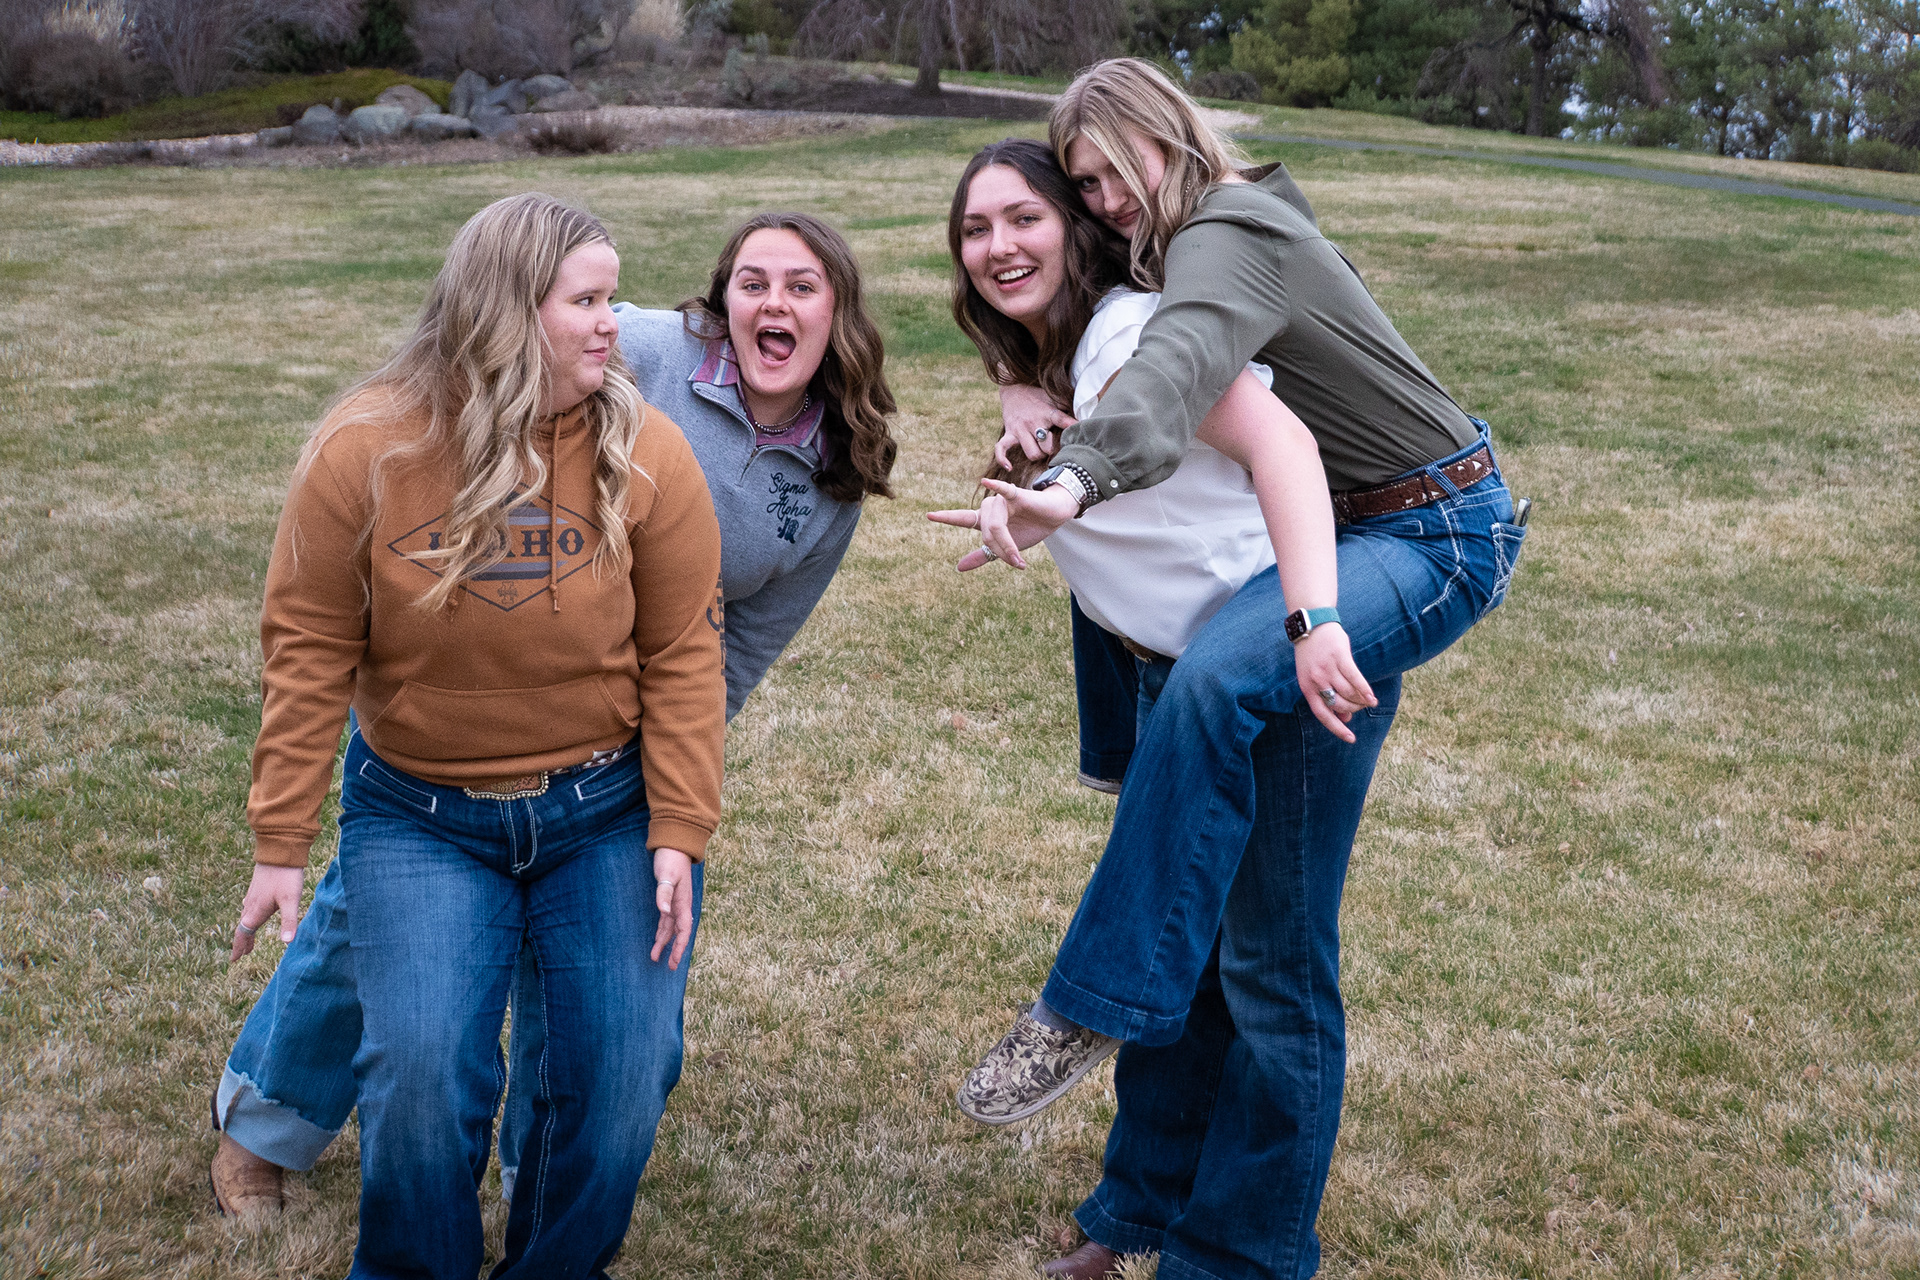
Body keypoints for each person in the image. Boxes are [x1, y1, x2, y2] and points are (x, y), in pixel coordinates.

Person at [212, 205, 895, 1270]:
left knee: (618, 1070)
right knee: (421, 1066)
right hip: (423, 804)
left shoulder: (662, 450)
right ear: (506, 309)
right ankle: (288, 1151)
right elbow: (308, 646)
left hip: (604, 800)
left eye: (611, 298)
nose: (611, 322)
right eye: (587, 300)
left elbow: (698, 652)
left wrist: (678, 817)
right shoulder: (369, 447)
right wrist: (279, 836)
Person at [947, 61, 1527, 1280]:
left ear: (1170, 135)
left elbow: (1172, 371)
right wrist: (1017, 382)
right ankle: (1136, 1212)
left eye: (1120, 169)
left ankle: (1221, 1225)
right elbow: (1094, 321)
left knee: (1266, 941)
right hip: (1340, 538)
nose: (1107, 198)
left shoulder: (1226, 226)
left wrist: (1072, 485)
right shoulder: (1166, 252)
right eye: (1084, 182)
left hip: (1432, 527)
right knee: (1210, 939)